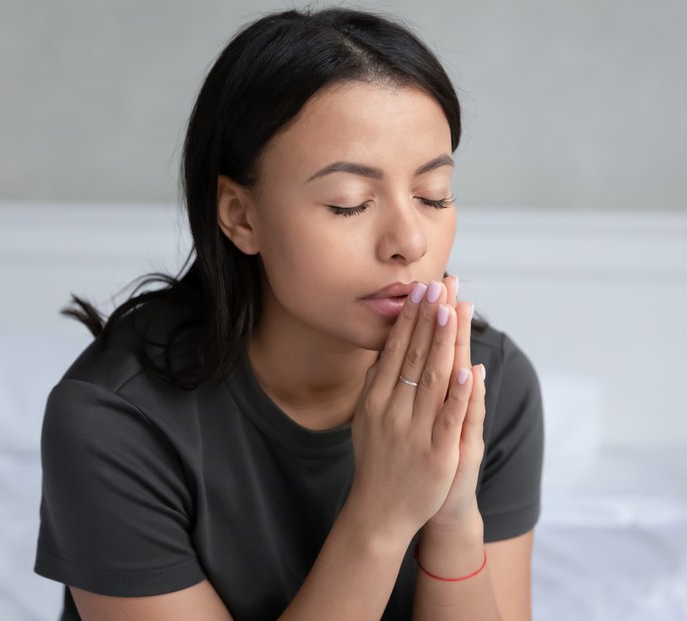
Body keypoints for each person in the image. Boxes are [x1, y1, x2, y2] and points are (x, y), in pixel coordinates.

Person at [33, 7, 544, 620]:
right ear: (241, 216)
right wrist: (381, 515)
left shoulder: (490, 386)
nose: (409, 240)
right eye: (349, 204)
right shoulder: (114, 421)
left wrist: (453, 519)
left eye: (433, 194)